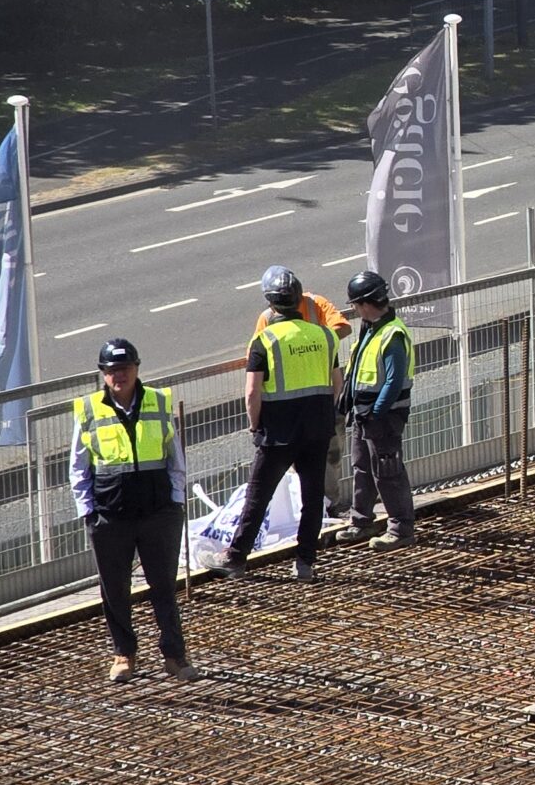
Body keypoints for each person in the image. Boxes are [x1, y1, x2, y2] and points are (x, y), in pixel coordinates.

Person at [69, 339, 199, 685]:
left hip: (158, 513)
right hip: (111, 516)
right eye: (111, 371)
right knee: (115, 589)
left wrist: (175, 502)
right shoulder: (89, 410)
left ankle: (174, 654)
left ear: (137, 369)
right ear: (103, 375)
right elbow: (78, 468)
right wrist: (89, 513)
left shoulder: (157, 402)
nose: (118, 376)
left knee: (163, 587)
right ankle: (124, 654)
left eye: (124, 368)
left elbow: (175, 459)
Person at [219, 265, 342, 581]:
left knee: (257, 497)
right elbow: (336, 383)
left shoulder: (264, 340)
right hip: (317, 429)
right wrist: (325, 414)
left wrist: (255, 426)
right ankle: (305, 563)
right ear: (298, 300)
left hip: (277, 434)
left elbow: (252, 393)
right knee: (313, 498)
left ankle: (235, 559)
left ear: (270, 304)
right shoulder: (325, 336)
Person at [332, 271, 416, 551]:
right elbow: (358, 371)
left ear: (366, 303)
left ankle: (401, 529)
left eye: (355, 305)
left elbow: (393, 381)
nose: (353, 310)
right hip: (364, 415)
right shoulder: (371, 329)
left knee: (387, 472)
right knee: (363, 469)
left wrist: (377, 413)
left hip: (383, 418)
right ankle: (362, 521)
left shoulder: (392, 335)